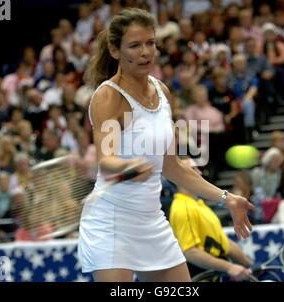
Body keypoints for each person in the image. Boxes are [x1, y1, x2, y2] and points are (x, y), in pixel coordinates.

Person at [78, 8, 254, 282]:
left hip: (151, 221)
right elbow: (107, 161)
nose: (146, 52)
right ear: (115, 51)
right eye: (135, 45)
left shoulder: (163, 93)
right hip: (112, 222)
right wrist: (132, 166)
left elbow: (173, 166)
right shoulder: (108, 97)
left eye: (150, 43)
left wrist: (226, 198)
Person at [170, 159, 253, 281]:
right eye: (193, 169)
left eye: (198, 169)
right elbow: (191, 252)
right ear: (179, 176)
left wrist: (249, 264)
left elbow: (224, 243)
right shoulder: (183, 208)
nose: (200, 173)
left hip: (215, 274)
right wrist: (229, 267)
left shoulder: (199, 205)